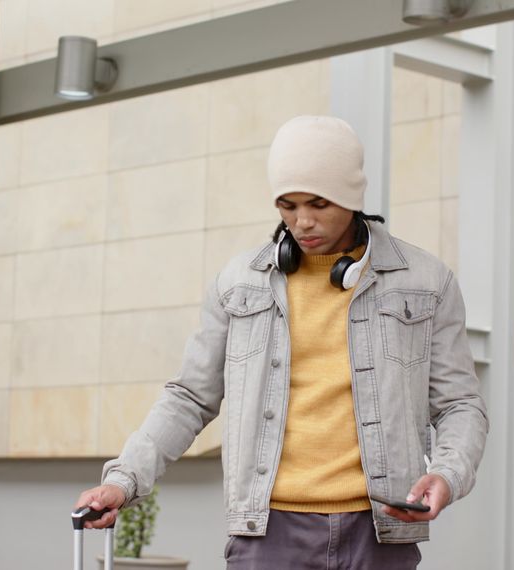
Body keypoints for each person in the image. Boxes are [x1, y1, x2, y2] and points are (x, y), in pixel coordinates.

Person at [75, 115, 488, 569]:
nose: (302, 222)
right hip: (268, 534)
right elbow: (188, 397)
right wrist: (123, 479)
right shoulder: (237, 284)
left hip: (378, 534)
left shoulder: (427, 282)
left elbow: (460, 404)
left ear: (352, 196)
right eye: (287, 206)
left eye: (319, 204)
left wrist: (447, 474)